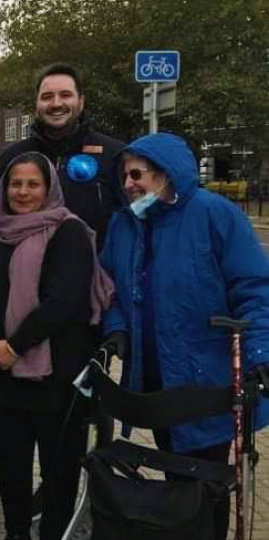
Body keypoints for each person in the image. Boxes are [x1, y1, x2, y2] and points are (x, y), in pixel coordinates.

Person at [100, 132, 269, 540]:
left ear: (166, 174)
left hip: (207, 376)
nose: (129, 185)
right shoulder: (125, 225)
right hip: (155, 378)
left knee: (206, 481)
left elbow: (253, 288)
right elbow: (109, 289)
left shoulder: (215, 214)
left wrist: (260, 351)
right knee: (175, 473)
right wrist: (116, 329)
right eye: (124, 177)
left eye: (137, 175)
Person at [0, 152, 113, 540]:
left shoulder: (69, 232)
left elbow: (65, 300)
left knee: (59, 473)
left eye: (33, 184)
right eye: (15, 184)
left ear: (49, 188)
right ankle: (15, 532)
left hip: (57, 382)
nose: (23, 192)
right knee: (9, 471)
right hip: (0, 379)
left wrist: (15, 346)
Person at [0, 62, 124, 248]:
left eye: (65, 95)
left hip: (95, 270)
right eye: (47, 97)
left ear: (80, 102)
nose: (56, 104)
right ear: (36, 104)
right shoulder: (13, 157)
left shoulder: (114, 154)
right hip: (28, 271)